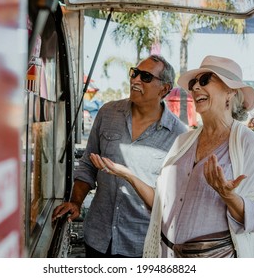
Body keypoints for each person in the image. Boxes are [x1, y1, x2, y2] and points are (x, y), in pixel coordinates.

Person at [90, 55, 254, 258]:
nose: (195, 88)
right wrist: (127, 175)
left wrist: (228, 195)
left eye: (204, 81)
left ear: (230, 92)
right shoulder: (183, 142)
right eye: (194, 83)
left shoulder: (249, 143)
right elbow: (160, 203)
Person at [52, 54, 187, 257]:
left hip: (140, 244)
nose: (136, 80)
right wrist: (76, 202)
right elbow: (88, 165)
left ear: (165, 89)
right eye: (135, 73)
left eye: (146, 77)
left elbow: (170, 200)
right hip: (98, 237)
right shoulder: (108, 113)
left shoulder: (179, 135)